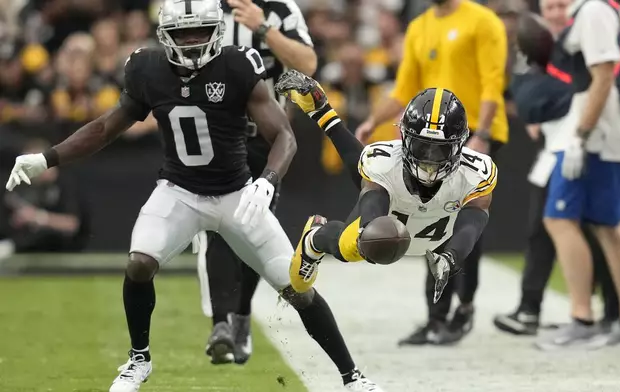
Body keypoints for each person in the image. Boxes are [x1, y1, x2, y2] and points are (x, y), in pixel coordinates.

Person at [4, 2, 383, 391]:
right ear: (165, 35)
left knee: (297, 289)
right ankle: (138, 361)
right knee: (138, 263)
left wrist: (268, 179)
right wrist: (46, 159)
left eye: (200, 31)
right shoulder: (147, 70)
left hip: (236, 193)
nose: (192, 41)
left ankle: (353, 378)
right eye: (183, 33)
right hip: (179, 192)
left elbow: (283, 135)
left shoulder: (238, 65)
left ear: (216, 30)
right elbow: (104, 128)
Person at [275, 70, 497, 320]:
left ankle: (322, 111)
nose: (429, 159)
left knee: (368, 181)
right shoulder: (385, 161)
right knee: (350, 249)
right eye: (422, 146)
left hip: (436, 234)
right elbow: (372, 195)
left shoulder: (476, 171)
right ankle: (314, 239)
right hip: (390, 212)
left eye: (440, 150)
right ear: (404, 137)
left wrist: (451, 257)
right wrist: (369, 230)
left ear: (460, 145)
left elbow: (474, 219)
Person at [354, 0, 508, 345]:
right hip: (427, 141)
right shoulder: (420, 26)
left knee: (466, 223)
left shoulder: (482, 21)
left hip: (469, 136)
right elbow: (404, 89)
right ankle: (438, 316)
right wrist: (373, 120)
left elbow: (492, 83)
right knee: (429, 223)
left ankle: (461, 309)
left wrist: (480, 135)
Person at [192, 0, 317, 365]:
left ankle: (241, 314)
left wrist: (264, 29)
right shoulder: (197, 6)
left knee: (250, 225)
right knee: (215, 226)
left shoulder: (277, 8)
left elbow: (308, 64)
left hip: (263, 135)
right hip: (212, 133)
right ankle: (221, 324)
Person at [493, 0, 619, 336]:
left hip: (584, 142)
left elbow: (591, 89)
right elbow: (530, 102)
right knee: (547, 229)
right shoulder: (543, 54)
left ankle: (609, 311)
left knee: (597, 229)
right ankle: (535, 307)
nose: (555, 13)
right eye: (549, 7)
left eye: (562, 5)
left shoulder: (578, 47)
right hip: (557, 148)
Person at [536, 0, 620, 350]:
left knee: (558, 218)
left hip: (595, 134)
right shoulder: (592, 10)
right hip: (604, 132)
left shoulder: (594, 10)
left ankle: (582, 318)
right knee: (608, 225)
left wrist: (580, 137)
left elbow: (603, 77)